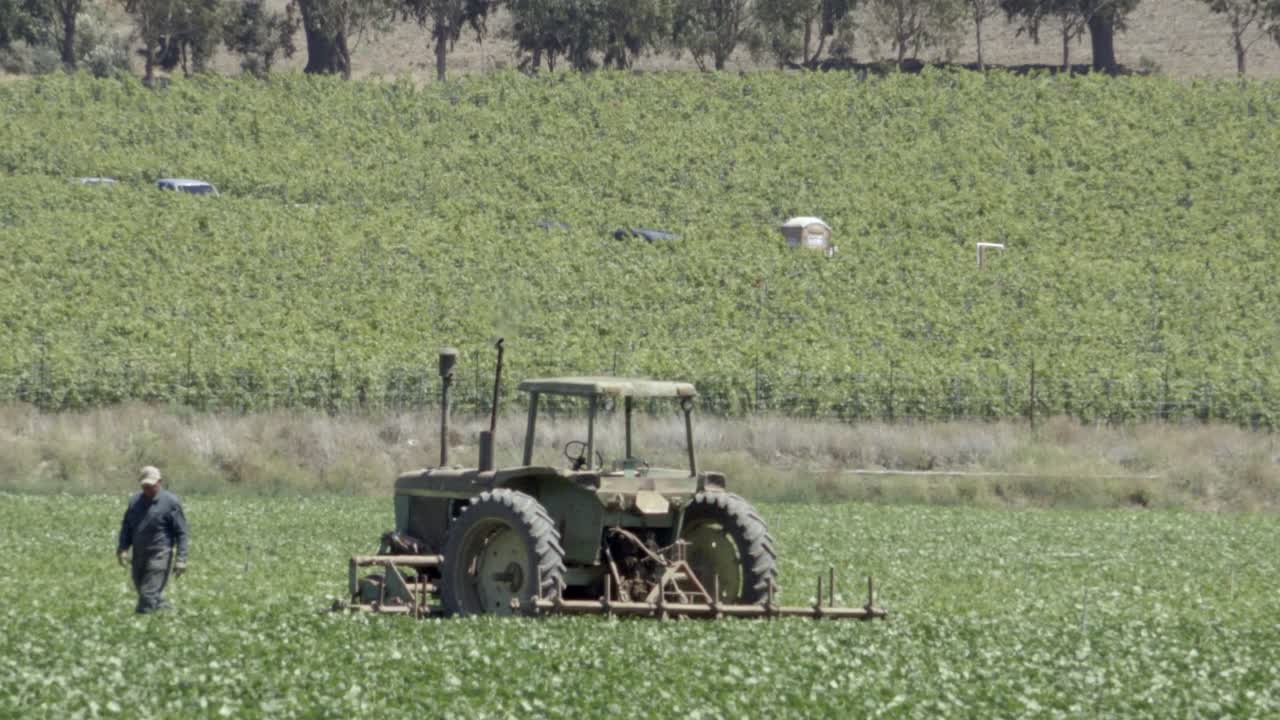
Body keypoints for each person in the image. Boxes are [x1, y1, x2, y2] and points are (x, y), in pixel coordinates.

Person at [116, 466, 189, 613]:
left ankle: (139, 628)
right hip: (139, 555)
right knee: (149, 594)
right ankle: (170, 617)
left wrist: (181, 559)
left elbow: (182, 532)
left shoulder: (170, 502)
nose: (147, 488)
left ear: (159, 482)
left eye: (151, 485)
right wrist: (123, 548)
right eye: (144, 486)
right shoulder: (134, 501)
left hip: (160, 555)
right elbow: (127, 526)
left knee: (147, 594)